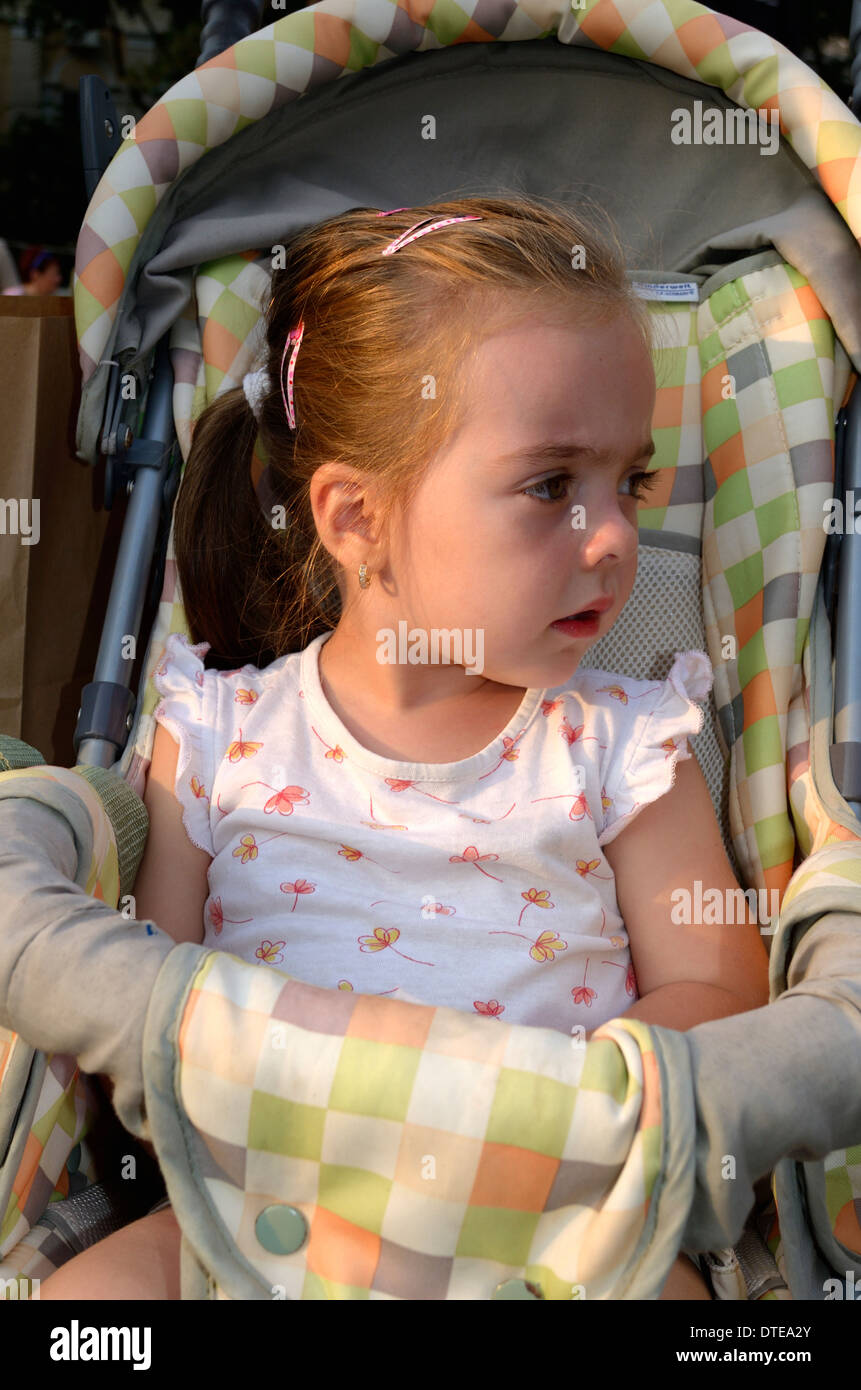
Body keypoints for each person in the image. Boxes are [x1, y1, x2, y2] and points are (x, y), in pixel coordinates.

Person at [38, 195, 769, 1301]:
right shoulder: (216, 736)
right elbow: (152, 1011)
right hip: (262, 1218)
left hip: (547, 1232)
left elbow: (719, 993)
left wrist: (540, 1102)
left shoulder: (624, 744)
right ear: (354, 519)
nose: (616, 534)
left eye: (631, 480)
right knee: (88, 1310)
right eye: (551, 486)